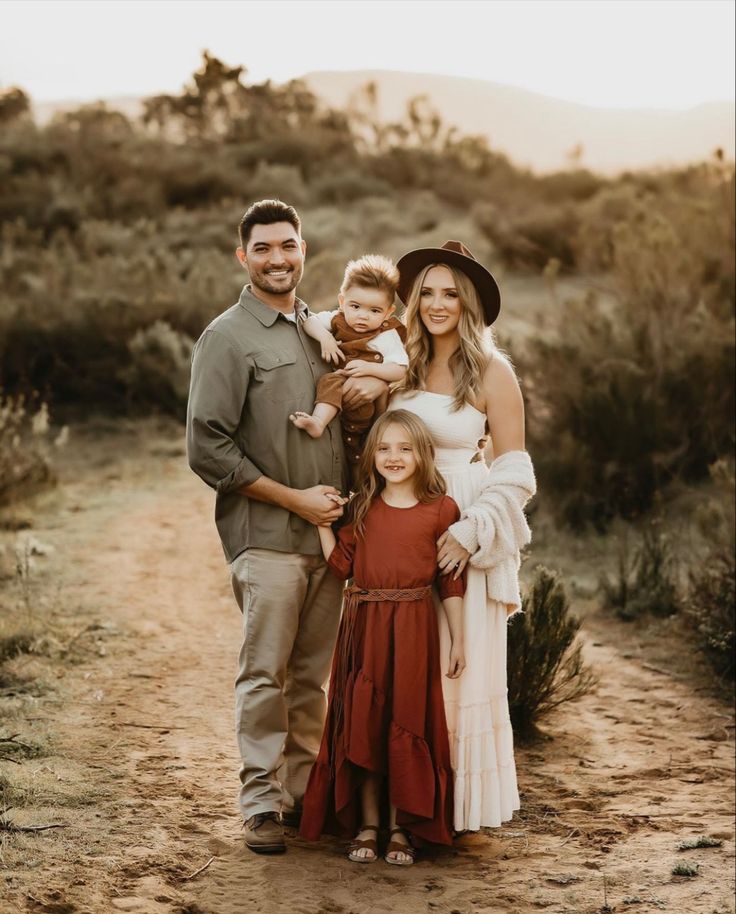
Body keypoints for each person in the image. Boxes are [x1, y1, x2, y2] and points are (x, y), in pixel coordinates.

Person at [186, 199, 387, 855]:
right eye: (264, 247)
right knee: (265, 674)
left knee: (311, 678)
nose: (278, 258)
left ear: (305, 252)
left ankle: (304, 799)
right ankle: (262, 804)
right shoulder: (227, 338)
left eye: (289, 246)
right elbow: (208, 449)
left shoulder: (320, 328)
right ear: (243, 256)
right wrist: (295, 501)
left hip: (330, 543)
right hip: (267, 536)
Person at [390, 240, 537, 833]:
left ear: (469, 302)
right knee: (403, 667)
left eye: (450, 293)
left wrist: (473, 531)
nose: (436, 303)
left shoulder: (492, 373)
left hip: (461, 532)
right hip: (400, 525)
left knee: (458, 668)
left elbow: (516, 469)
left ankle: (451, 810)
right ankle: (401, 807)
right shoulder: (397, 360)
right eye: (426, 291)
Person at [299, 410, 466, 865]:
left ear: (423, 454)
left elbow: (450, 581)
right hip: (364, 625)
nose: (394, 457)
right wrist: (321, 525)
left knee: (404, 723)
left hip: (414, 627)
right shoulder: (364, 508)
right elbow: (342, 568)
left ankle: (400, 829)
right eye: (384, 448)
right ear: (372, 455)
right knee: (366, 728)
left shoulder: (442, 509)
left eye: (405, 448)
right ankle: (368, 825)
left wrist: (458, 639)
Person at [289, 254, 408, 486]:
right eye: (355, 306)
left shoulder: (386, 335)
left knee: (367, 451)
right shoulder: (336, 319)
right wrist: (325, 338)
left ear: (388, 312)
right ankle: (318, 422)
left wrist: (371, 368)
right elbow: (308, 321)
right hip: (340, 405)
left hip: (371, 411)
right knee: (329, 381)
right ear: (342, 302)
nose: (363, 316)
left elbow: (399, 369)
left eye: (374, 311)